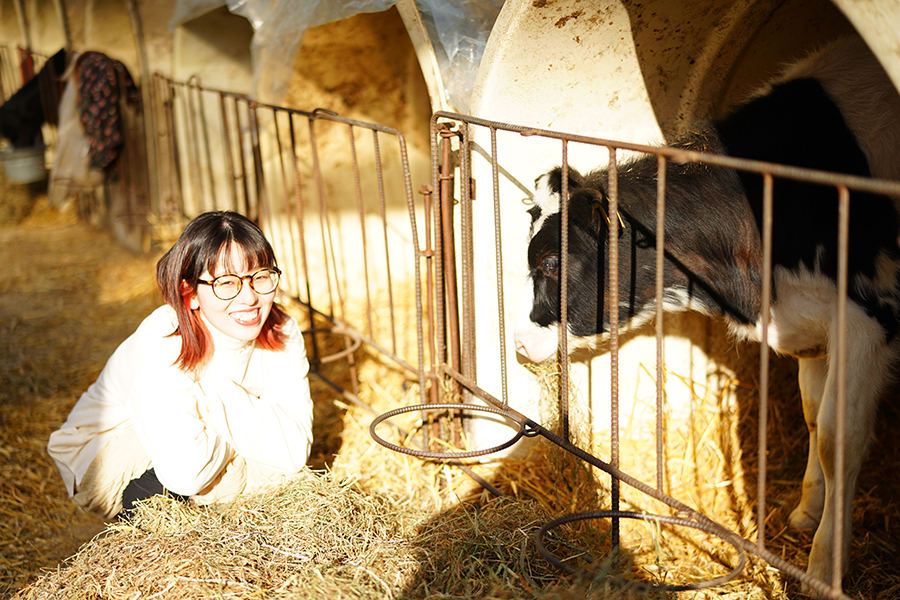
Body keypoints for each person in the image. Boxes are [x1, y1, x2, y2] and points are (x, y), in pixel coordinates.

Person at [48, 211, 313, 520]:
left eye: (261, 276)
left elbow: (294, 452)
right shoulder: (164, 338)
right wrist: (252, 432)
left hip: (197, 452)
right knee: (183, 491)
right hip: (106, 451)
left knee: (284, 476)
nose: (249, 297)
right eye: (225, 283)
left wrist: (212, 397)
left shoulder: (282, 330)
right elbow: (185, 474)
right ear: (190, 294)